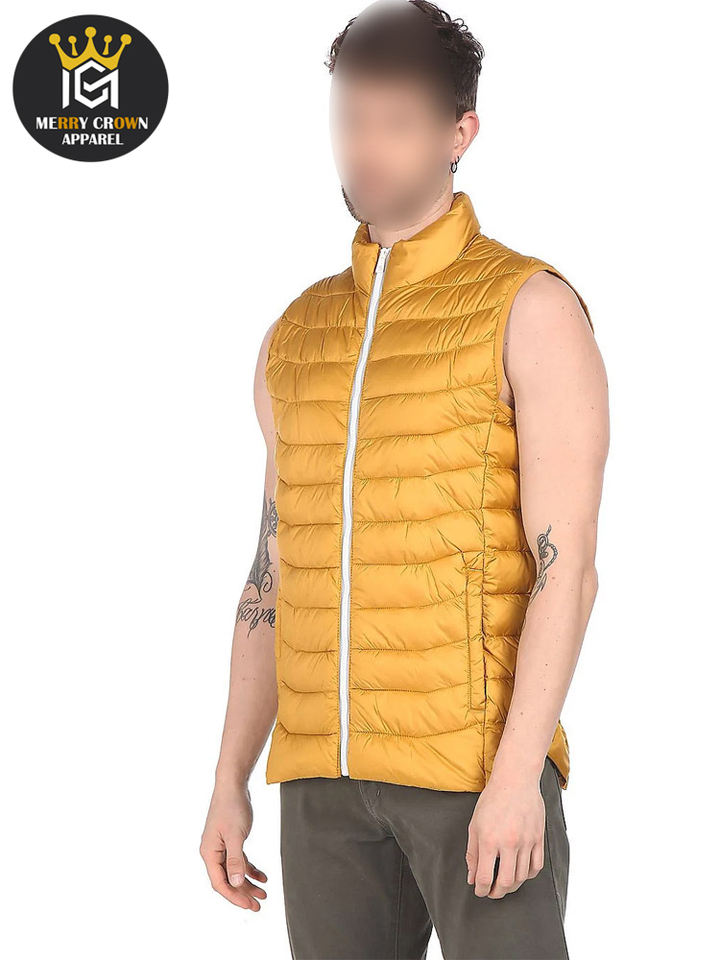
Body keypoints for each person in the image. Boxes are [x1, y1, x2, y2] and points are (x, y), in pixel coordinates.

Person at [199, 2, 608, 956]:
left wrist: (517, 776)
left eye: (395, 124)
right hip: (322, 784)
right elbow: (273, 574)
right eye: (350, 120)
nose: (366, 150)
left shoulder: (529, 307)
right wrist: (230, 775)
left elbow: (568, 570)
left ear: (460, 133)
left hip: (473, 776)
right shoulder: (295, 335)